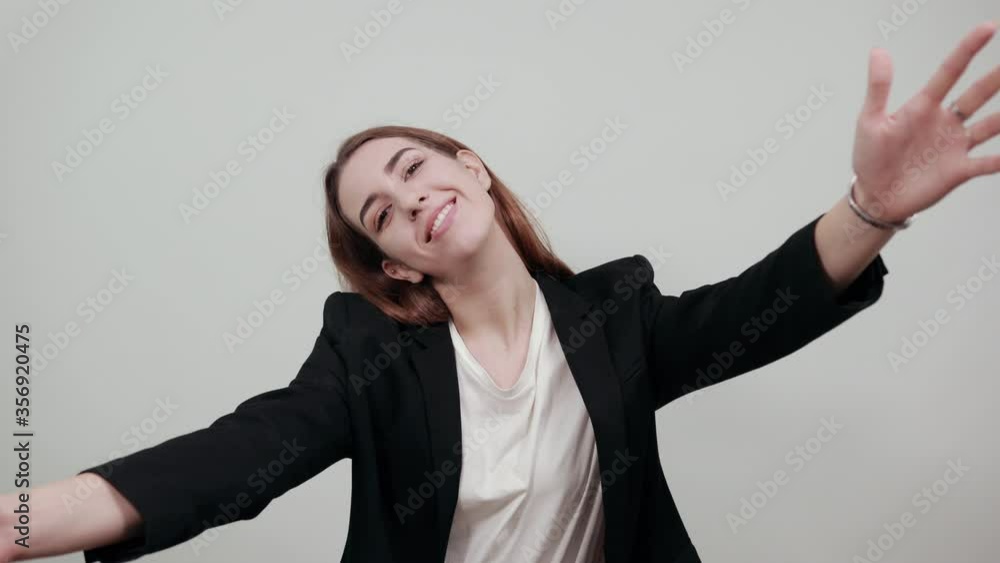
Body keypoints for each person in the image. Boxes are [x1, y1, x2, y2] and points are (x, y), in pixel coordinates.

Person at [3, 20, 1000, 563]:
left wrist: (872, 206)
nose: (409, 197)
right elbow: (232, 456)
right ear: (396, 264)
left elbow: (757, 307)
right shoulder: (368, 351)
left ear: (471, 169)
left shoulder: (617, 312)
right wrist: (16, 523)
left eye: (413, 167)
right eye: (381, 212)